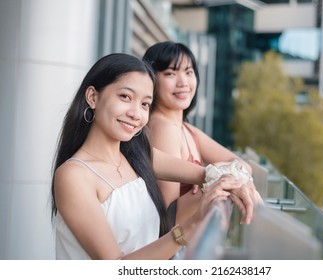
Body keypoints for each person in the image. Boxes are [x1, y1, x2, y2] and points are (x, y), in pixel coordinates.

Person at [50, 53, 246, 260]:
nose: (136, 113)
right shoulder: (74, 176)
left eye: (145, 104)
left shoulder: (138, 155)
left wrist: (241, 185)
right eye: (125, 97)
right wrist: (192, 224)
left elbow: (208, 174)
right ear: (93, 97)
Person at [143, 41, 262, 224]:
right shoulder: (164, 128)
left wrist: (223, 174)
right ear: (152, 80)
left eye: (189, 72)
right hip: (176, 245)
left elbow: (244, 166)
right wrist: (219, 182)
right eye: (170, 73)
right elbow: (167, 216)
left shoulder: (186, 129)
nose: (183, 82)